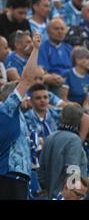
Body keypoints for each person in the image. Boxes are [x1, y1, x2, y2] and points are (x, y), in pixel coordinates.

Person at [0, 33, 40, 200]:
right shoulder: (6, 109)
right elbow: (28, 79)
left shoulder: (13, 113)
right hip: (9, 176)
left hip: (17, 176)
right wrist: (36, 49)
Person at [38, 104, 89, 199]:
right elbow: (72, 170)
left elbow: (40, 171)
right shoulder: (74, 139)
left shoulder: (50, 137)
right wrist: (74, 195)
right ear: (80, 120)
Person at [38, 18, 73, 86]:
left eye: (62, 29)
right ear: (48, 31)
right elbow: (42, 71)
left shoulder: (69, 48)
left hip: (71, 80)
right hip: (55, 81)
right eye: (56, 29)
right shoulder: (43, 48)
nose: (60, 31)